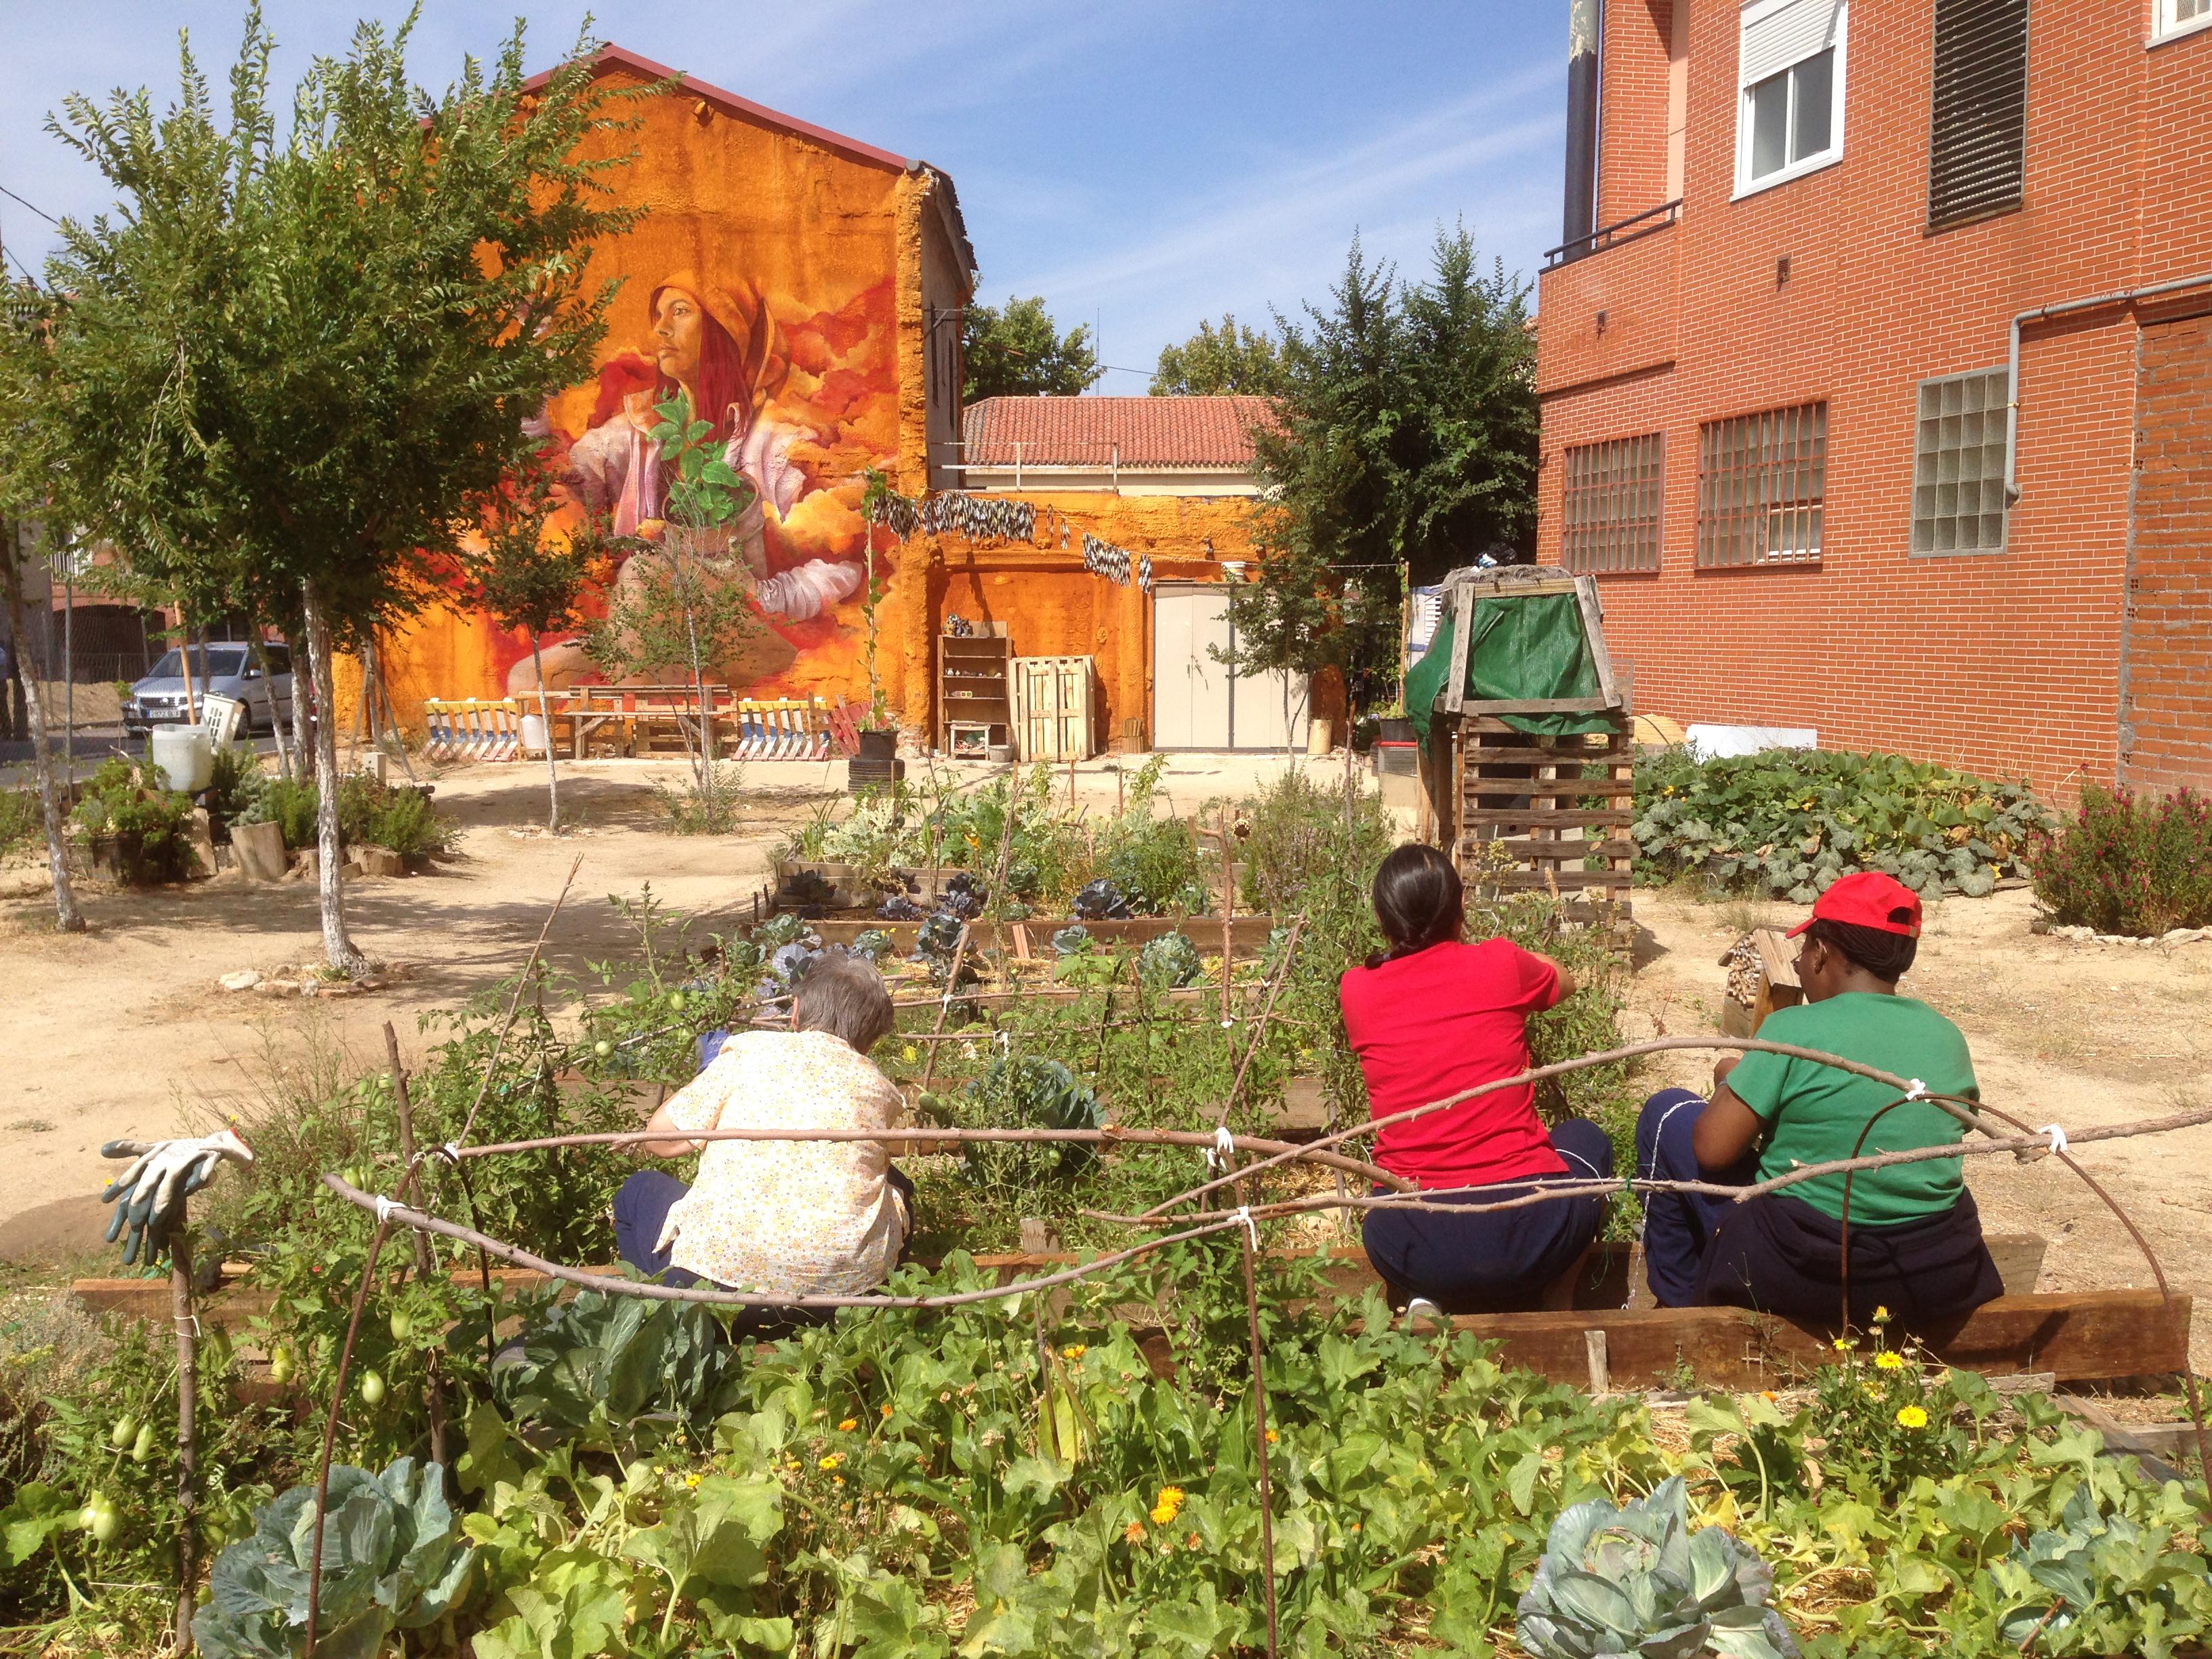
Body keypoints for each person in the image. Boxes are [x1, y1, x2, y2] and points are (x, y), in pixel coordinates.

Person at [1635, 870, 2003, 1328]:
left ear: (1823, 952)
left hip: (1811, 1270)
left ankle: (1680, 1306)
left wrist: (1732, 1079)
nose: (1799, 963)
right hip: (1930, 1273)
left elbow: (1712, 1150)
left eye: (1804, 948)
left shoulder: (1794, 1030)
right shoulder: (1946, 1036)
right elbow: (1940, 1122)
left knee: (1667, 1112)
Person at [1338, 843, 1615, 1313]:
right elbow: (1564, 980)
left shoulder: (1357, 989)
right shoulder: (1501, 964)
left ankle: (1432, 1293)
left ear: (1383, 919)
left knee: (1382, 1198)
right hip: (1531, 1224)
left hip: (1412, 1236)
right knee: (1586, 1140)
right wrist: (1493, 950)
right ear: (1461, 905)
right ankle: (1558, 1295)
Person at [613, 949, 913, 1303]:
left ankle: (667, 1312)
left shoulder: (749, 1054)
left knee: (638, 1190)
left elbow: (660, 1140)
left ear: (797, 1011)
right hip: (843, 1299)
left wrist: (707, 1081)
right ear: (873, 1038)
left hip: (717, 1290)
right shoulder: (879, 1089)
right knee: (899, 1186)